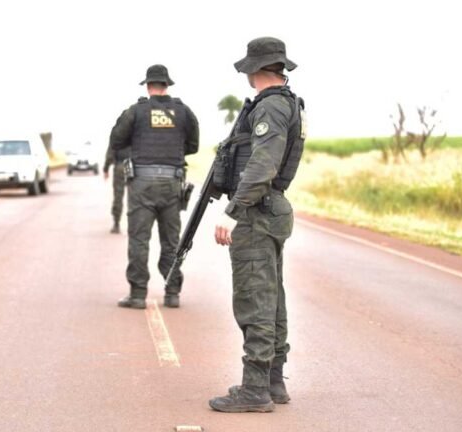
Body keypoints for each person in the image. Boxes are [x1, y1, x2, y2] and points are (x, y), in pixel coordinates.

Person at [208, 37, 306, 413]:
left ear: (255, 70)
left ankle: (254, 390)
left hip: (256, 212)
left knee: (254, 300)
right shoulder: (286, 103)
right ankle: (273, 380)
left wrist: (233, 210)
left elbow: (262, 165)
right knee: (271, 296)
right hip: (270, 208)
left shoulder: (271, 108)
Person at [110, 64, 199, 309]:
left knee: (139, 239)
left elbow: (116, 140)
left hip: (142, 184)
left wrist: (138, 150)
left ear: (148, 86)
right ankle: (172, 293)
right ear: (167, 85)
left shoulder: (136, 111)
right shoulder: (183, 112)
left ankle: (138, 294)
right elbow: (193, 146)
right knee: (171, 241)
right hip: (172, 182)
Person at [103, 145, 130, 234]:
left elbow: (110, 155)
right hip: (131, 165)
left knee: (118, 196)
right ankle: (134, 225)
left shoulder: (117, 134)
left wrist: (106, 168)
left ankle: (116, 224)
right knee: (134, 197)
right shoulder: (137, 132)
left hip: (120, 165)